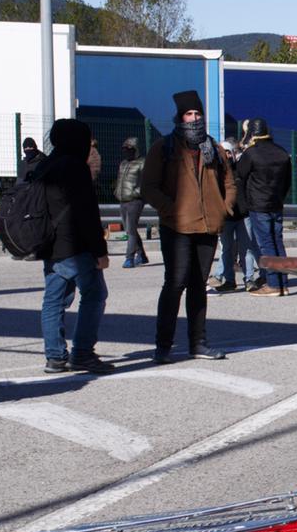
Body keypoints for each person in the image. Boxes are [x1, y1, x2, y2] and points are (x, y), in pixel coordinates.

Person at [140, 90, 236, 362]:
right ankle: (163, 346)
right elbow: (148, 187)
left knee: (198, 285)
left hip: (207, 227)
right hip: (177, 227)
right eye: (188, 114)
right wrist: (172, 210)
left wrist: (225, 207)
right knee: (175, 284)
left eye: (197, 114)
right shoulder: (165, 147)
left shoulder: (213, 148)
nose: (194, 119)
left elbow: (229, 181)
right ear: (180, 117)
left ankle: (198, 343)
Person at [37, 118, 114, 374]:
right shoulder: (75, 167)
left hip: (49, 245)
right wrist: (100, 252)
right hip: (75, 246)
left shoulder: (44, 165)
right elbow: (87, 214)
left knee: (54, 301)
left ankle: (55, 356)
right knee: (94, 295)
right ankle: (82, 353)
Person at [235, 119, 293, 295]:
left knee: (266, 244)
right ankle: (283, 283)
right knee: (277, 242)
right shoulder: (282, 152)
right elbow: (287, 182)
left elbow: (240, 176)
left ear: (252, 133)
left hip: (258, 205)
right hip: (276, 203)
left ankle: (273, 284)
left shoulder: (251, 154)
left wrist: (244, 202)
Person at [210, 137, 254, 293]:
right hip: (226, 217)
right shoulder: (215, 173)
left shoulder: (242, 169)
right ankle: (229, 280)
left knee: (246, 250)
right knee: (227, 249)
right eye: (223, 152)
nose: (227, 155)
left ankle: (249, 279)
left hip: (243, 216)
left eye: (229, 152)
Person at [114, 137, 149, 267]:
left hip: (135, 200)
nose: (127, 152)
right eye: (125, 149)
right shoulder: (123, 163)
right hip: (123, 200)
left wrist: (138, 193)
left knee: (131, 230)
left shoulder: (142, 163)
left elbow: (147, 182)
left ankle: (129, 257)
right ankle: (142, 255)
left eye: (129, 149)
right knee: (130, 229)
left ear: (135, 149)